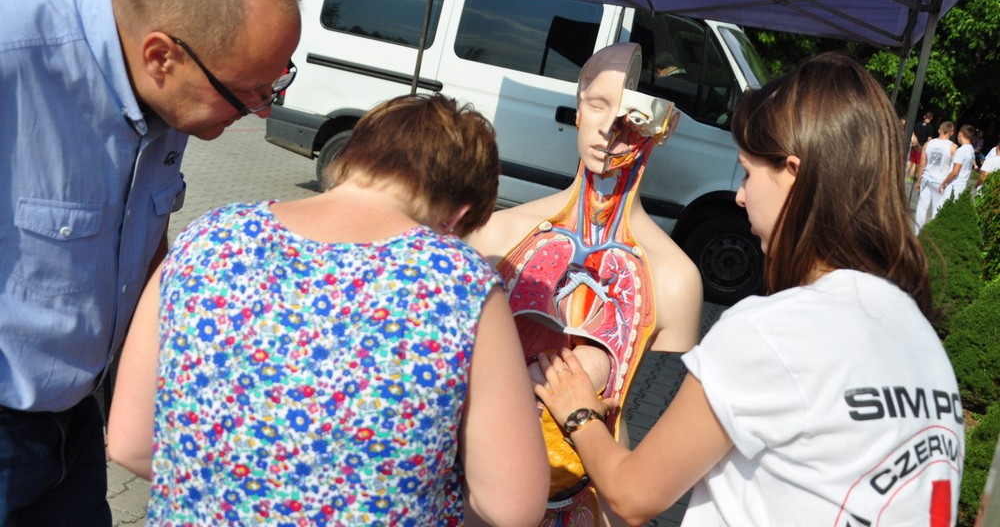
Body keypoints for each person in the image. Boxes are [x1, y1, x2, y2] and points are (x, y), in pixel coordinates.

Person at [533, 52, 964, 526]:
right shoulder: (919, 337)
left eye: (747, 172)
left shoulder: (772, 332)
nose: (739, 196)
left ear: (794, 174)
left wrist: (579, 414)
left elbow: (633, 496)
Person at [107, 94, 549, 525]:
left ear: (352, 159)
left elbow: (129, 442)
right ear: (458, 216)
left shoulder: (207, 238)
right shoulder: (460, 283)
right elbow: (511, 507)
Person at [0, 0, 301, 524]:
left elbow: (140, 237)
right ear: (161, 55)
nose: (263, 110)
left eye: (275, 85)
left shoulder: (165, 96)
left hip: (77, 419)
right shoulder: (12, 54)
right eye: (246, 94)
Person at [468, 42, 703, 525]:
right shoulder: (496, 234)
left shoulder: (675, 278)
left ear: (663, 129)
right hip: (481, 493)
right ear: (577, 109)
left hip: (595, 497)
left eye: (632, 116)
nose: (608, 129)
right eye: (597, 104)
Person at [914, 121, 957, 234]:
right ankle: (932, 234)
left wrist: (918, 180)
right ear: (951, 133)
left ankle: (917, 232)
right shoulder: (953, 147)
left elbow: (922, 164)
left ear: (939, 130)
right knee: (937, 209)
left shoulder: (928, 144)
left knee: (922, 208)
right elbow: (954, 168)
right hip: (940, 181)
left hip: (927, 178)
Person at [940, 124, 976, 201]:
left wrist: (943, 183)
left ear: (960, 134)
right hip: (962, 184)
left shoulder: (961, 150)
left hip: (954, 185)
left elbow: (955, 171)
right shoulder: (971, 150)